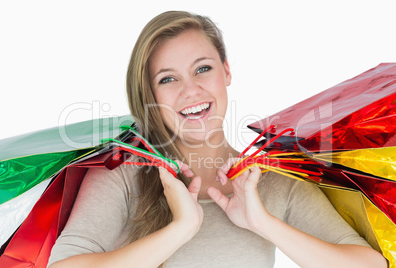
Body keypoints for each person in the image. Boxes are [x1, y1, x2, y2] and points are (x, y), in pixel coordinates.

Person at [48, 11, 387, 268]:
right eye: (168, 79)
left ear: (226, 71)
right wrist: (180, 229)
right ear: (148, 93)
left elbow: (369, 264)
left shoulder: (270, 180)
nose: (190, 90)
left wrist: (262, 222)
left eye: (203, 68)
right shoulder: (122, 173)